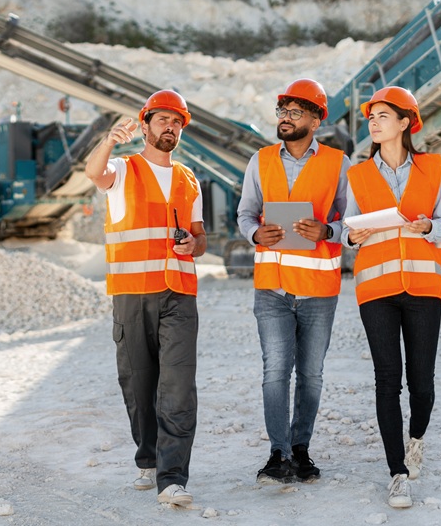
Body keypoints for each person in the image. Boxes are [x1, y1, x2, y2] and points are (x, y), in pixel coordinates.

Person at [84, 89, 207, 508]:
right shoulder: (123, 168)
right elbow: (92, 174)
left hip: (179, 294)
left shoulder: (190, 179)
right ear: (146, 124)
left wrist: (195, 243)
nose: (170, 127)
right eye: (163, 120)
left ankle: (172, 477)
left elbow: (200, 235)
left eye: (177, 122)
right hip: (132, 295)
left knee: (178, 386)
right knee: (139, 384)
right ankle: (148, 459)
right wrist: (109, 141)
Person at [341, 86, 441, 509]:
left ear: (406, 123)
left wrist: (427, 228)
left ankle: (417, 439)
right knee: (387, 380)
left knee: (421, 383)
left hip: (424, 287)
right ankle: (397, 473)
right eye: (371, 117)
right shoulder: (358, 173)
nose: (373, 122)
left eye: (383, 115)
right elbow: (351, 231)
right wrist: (354, 235)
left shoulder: (432, 167)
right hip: (377, 290)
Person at [237, 78, 350, 486]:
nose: (285, 118)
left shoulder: (339, 163)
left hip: (319, 290)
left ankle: (301, 449)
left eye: (295, 112)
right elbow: (245, 214)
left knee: (312, 374)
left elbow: (350, 222)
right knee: (275, 372)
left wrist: (328, 232)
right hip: (273, 288)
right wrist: (254, 234)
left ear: (317, 119)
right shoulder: (261, 160)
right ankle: (278, 454)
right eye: (282, 111)